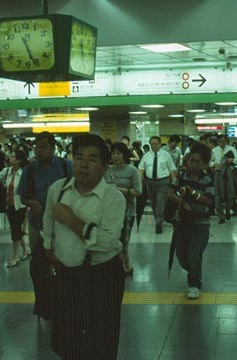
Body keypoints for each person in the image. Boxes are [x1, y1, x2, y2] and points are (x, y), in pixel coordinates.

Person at [42, 134, 126, 360]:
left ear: (104, 166)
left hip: (103, 275)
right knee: (66, 337)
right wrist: (49, 248)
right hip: (67, 275)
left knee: (103, 338)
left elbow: (106, 242)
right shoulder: (57, 190)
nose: (83, 164)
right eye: (78, 157)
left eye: (92, 159)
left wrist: (71, 220)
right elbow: (48, 224)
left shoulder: (113, 198)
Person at [17, 131, 72, 320]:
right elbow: (23, 195)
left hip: (62, 225)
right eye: (36, 147)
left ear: (53, 148)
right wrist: (33, 204)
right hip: (37, 224)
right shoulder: (30, 170)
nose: (39, 151)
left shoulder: (65, 167)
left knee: (62, 263)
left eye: (43, 147)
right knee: (38, 266)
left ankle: (62, 302)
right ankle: (43, 303)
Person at [169, 141, 214, 299]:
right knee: (181, 255)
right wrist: (182, 202)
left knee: (194, 254)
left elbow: (209, 201)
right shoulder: (181, 176)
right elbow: (171, 192)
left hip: (200, 224)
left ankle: (194, 283)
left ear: (204, 164)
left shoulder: (207, 180)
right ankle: (195, 271)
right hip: (183, 223)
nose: (193, 164)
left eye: (198, 162)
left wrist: (193, 194)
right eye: (191, 161)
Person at [105, 142, 142, 276]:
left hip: (127, 212)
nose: (115, 156)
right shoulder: (108, 170)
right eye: (113, 153)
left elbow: (138, 191)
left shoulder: (132, 170)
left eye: (118, 153)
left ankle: (123, 267)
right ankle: (126, 265)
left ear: (124, 154)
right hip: (110, 212)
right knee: (114, 240)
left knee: (123, 240)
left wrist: (118, 189)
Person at [0, 150, 31, 268]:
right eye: (11, 156)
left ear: (19, 160)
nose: (11, 158)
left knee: (15, 230)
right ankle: (26, 249)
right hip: (9, 206)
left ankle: (15, 256)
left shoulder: (24, 173)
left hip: (20, 206)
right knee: (15, 229)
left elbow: (29, 192)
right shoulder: (6, 171)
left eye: (14, 157)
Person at [138, 136, 177, 234]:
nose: (154, 146)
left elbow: (172, 169)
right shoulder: (146, 156)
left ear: (160, 144)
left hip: (163, 182)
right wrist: (140, 177)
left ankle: (158, 222)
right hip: (150, 183)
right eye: (152, 144)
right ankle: (158, 218)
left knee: (160, 202)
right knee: (153, 202)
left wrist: (174, 183)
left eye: (156, 144)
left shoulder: (166, 155)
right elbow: (141, 168)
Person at [212, 135, 237, 223]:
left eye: (223, 142)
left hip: (228, 173)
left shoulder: (231, 149)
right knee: (217, 194)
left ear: (227, 142)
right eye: (219, 142)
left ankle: (228, 209)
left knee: (229, 193)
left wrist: (231, 161)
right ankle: (221, 216)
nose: (221, 144)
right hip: (218, 173)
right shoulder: (214, 150)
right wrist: (214, 164)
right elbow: (209, 161)